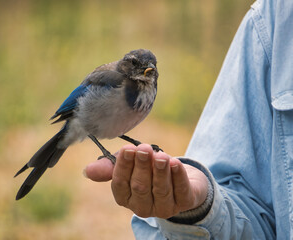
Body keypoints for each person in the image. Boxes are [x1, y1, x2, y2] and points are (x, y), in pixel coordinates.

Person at [84, 0, 293, 238]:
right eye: (139, 67)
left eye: (151, 68)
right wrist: (200, 210)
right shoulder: (272, 18)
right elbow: (247, 200)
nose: (148, 71)